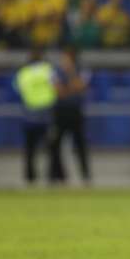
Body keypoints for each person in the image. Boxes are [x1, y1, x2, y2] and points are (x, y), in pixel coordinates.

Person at [14, 48, 57, 184]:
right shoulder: (48, 70)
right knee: (51, 148)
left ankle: (30, 178)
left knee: (30, 149)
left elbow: (18, 89)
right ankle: (52, 177)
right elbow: (57, 87)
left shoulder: (23, 73)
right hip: (47, 114)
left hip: (30, 114)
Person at [50, 50, 91, 184]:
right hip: (60, 112)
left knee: (80, 145)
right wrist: (71, 89)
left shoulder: (82, 71)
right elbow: (58, 91)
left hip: (75, 112)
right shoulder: (55, 72)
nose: (63, 61)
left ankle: (86, 176)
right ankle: (57, 176)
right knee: (55, 145)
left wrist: (71, 74)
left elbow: (81, 86)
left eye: (66, 59)